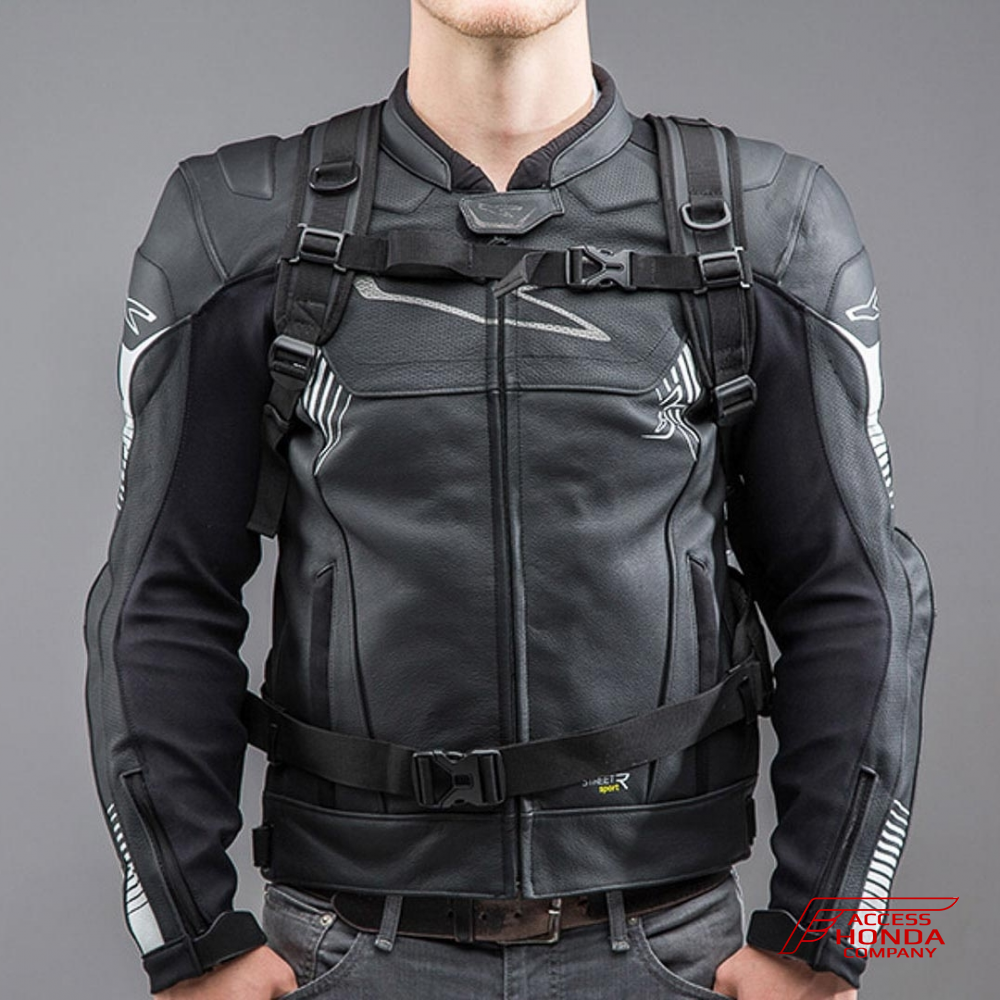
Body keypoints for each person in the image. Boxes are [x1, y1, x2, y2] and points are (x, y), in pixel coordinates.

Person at [83, 1, 934, 998]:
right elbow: (159, 596)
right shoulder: (236, 223)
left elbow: (855, 591)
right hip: (341, 954)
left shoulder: (768, 223)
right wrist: (191, 944)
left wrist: (820, 941)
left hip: (675, 955)